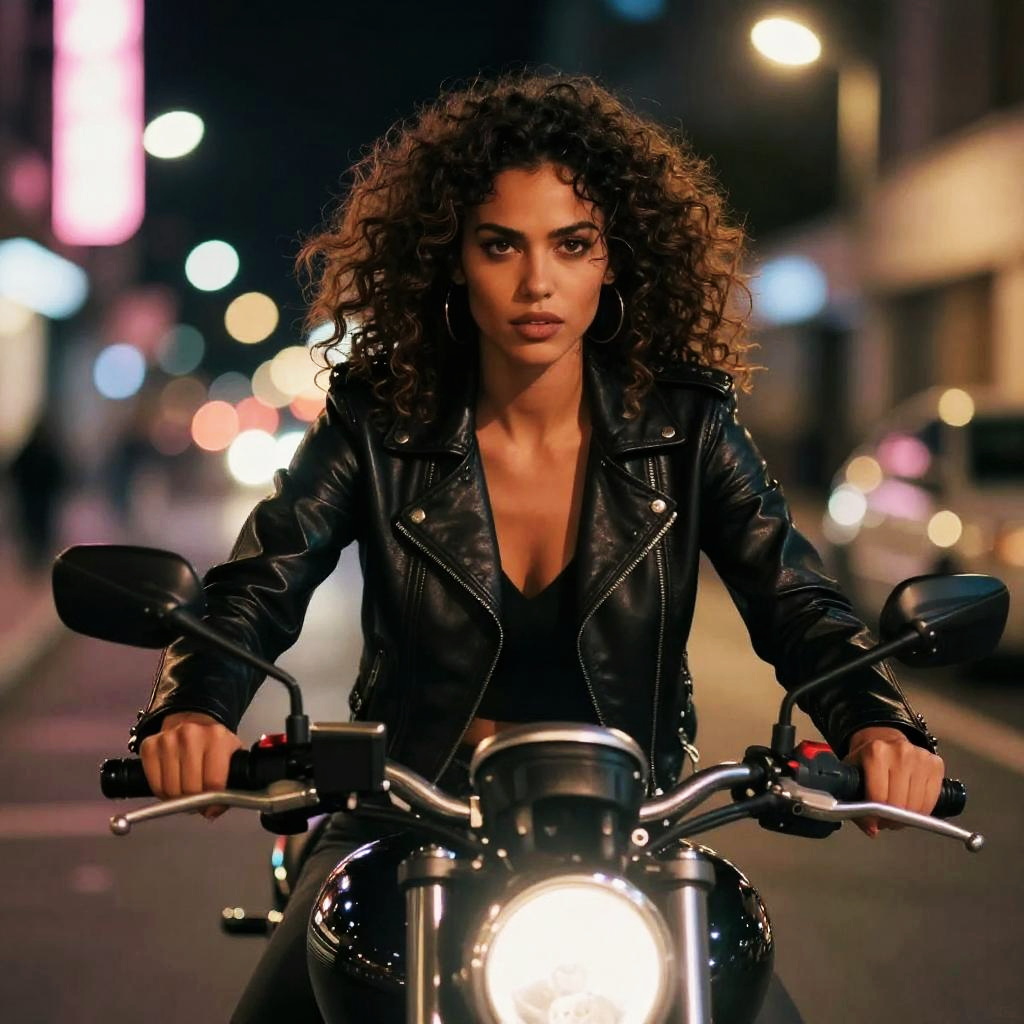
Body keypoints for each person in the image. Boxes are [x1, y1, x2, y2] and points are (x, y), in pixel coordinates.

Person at [128, 72, 944, 1022]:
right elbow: (257, 585)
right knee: (282, 1004)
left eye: (573, 243)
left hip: (631, 826)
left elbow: (796, 598)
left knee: (754, 995)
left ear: (616, 259)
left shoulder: (686, 428)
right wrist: (192, 707)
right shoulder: (377, 423)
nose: (536, 283)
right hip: (405, 813)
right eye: (500, 245)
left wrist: (878, 723)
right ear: (451, 259)